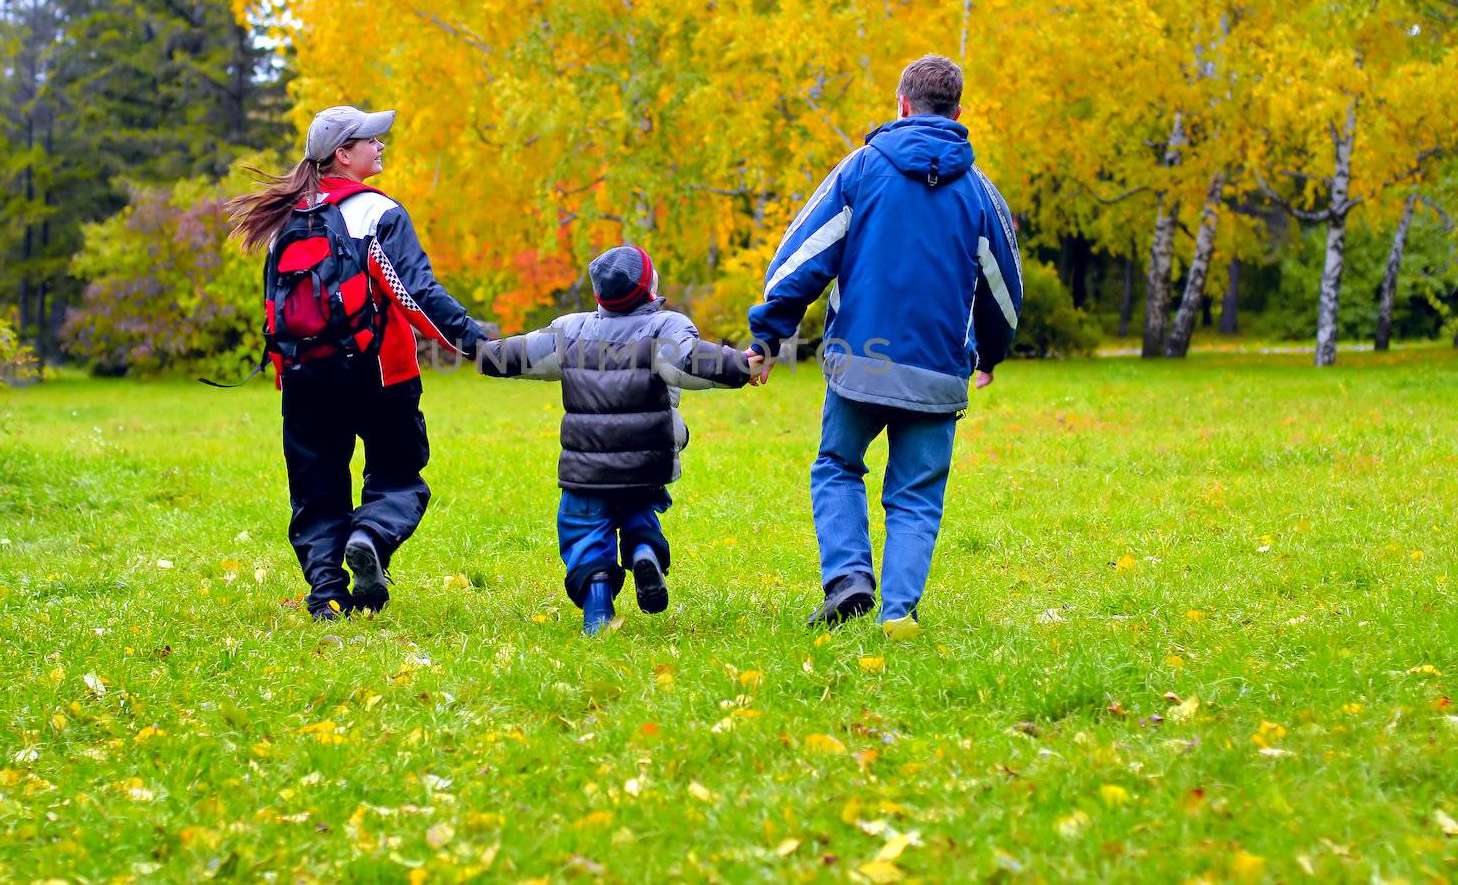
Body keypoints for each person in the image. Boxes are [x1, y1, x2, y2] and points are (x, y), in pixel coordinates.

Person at [745, 55, 1023, 640]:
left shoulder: (861, 169)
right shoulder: (979, 193)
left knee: (838, 466)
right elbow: (1004, 288)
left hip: (860, 362)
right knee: (917, 495)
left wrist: (771, 334)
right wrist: (991, 354)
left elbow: (802, 258)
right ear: (958, 113)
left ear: (900, 105)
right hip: (940, 368)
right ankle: (898, 613)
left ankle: (848, 579)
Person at [227, 105, 487, 620]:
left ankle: (325, 594)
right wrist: (474, 341)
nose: (381, 145)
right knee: (398, 474)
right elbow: (414, 292)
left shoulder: (285, 222)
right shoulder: (376, 212)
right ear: (343, 155)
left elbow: (276, 307)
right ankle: (369, 537)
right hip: (378, 372)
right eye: (371, 139)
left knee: (316, 487)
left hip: (304, 378)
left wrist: (287, 374)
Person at [478, 245, 755, 634]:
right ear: (648, 287)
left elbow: (516, 353)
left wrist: (478, 350)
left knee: (584, 533)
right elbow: (693, 360)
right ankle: (644, 551)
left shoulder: (570, 330)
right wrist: (742, 365)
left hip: (586, 468)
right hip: (646, 464)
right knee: (639, 510)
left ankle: (598, 614)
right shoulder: (664, 327)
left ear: (598, 294)